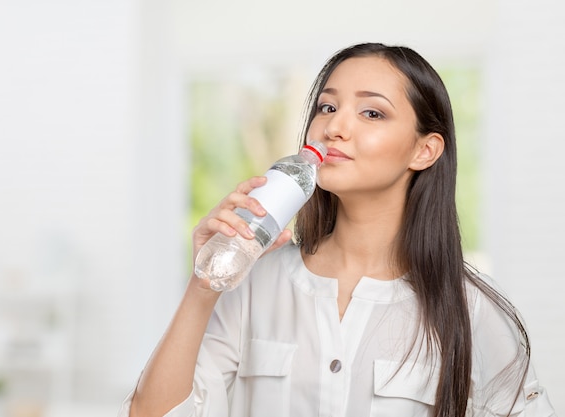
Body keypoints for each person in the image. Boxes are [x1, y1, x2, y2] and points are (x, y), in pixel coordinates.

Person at [118, 43, 556, 417]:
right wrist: (205, 282)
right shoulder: (255, 285)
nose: (335, 127)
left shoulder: (469, 306)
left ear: (425, 150)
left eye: (371, 112)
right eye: (327, 107)